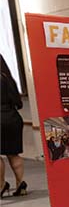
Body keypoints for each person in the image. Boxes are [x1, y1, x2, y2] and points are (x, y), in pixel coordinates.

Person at [1, 55, 27, 197]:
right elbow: (19, 104)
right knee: (13, 153)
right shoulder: (9, 80)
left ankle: (1, 185)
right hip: (13, 119)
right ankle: (20, 182)